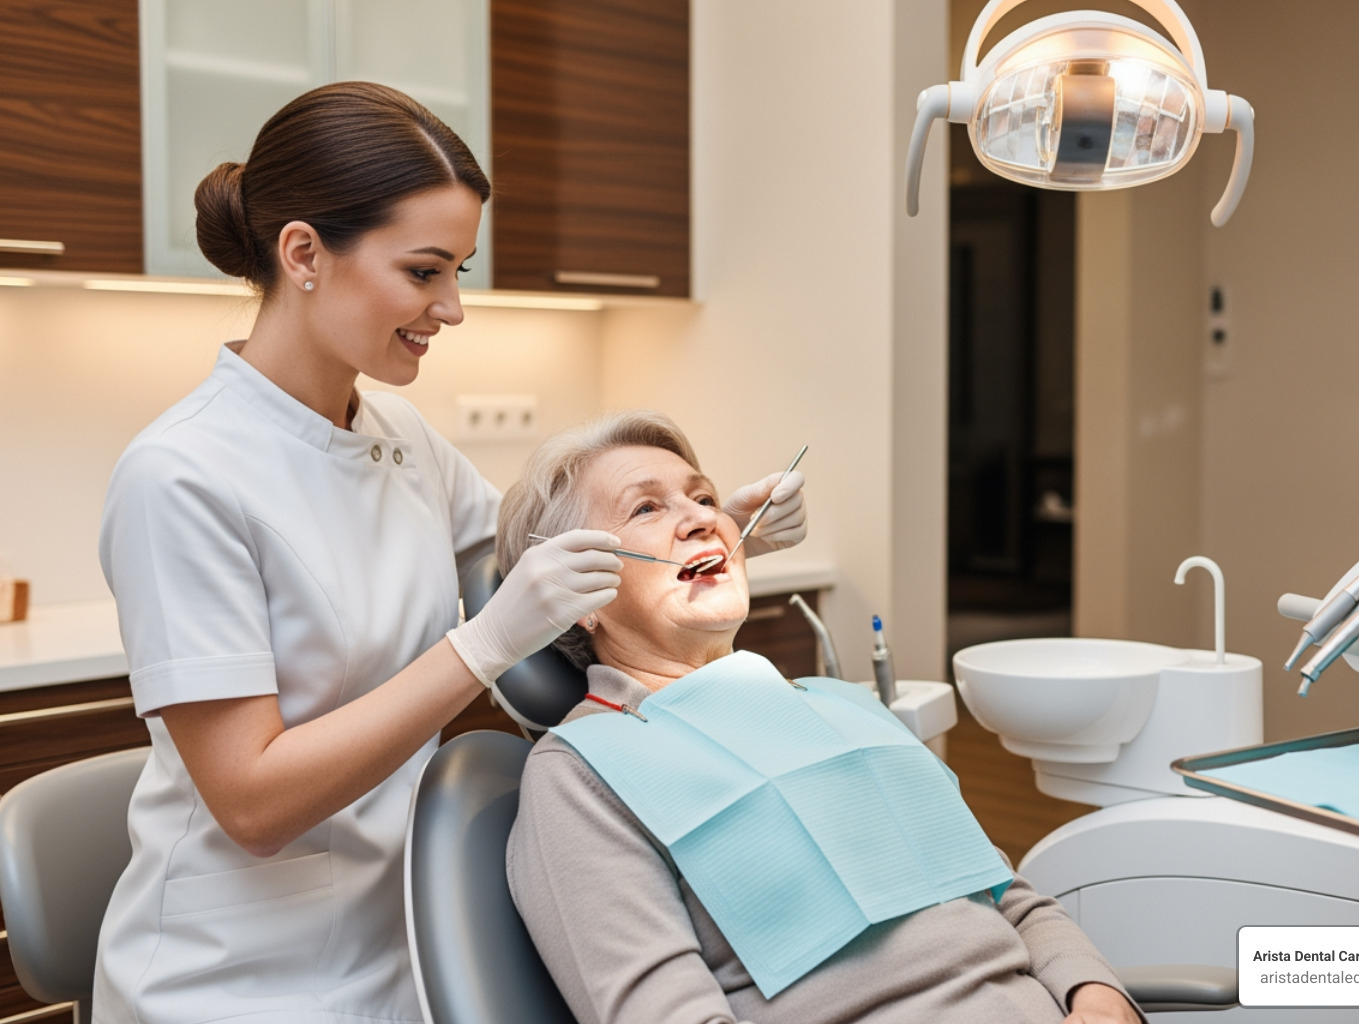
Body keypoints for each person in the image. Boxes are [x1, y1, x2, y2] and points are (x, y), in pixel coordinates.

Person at [94, 82, 806, 1024]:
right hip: (235, 977)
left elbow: (544, 557)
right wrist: (482, 647)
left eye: (458, 270)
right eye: (425, 272)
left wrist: (705, 520)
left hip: (408, 937)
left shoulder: (398, 434)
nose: (454, 308)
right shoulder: (180, 475)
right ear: (303, 254)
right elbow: (253, 804)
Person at [502, 411, 1143, 1024]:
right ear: (576, 592)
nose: (703, 520)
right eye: (647, 507)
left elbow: (1010, 897)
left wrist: (1100, 999)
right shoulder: (584, 775)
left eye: (704, 499)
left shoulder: (844, 707)